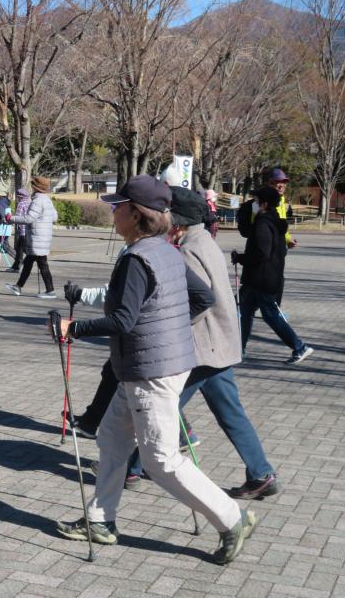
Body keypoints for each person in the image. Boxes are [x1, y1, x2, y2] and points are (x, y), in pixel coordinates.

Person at [55, 175, 256, 566]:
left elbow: (122, 320)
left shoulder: (136, 258)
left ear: (136, 214)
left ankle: (234, 518)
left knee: (160, 461)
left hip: (151, 373)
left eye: (118, 206)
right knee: (113, 439)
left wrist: (71, 328)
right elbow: (203, 297)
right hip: (151, 367)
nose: (113, 211)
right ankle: (100, 520)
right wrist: (171, 328)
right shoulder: (165, 250)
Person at [125, 188, 280, 499]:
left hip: (202, 347)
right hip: (218, 345)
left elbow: (198, 301)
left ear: (178, 221)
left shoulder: (187, 250)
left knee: (165, 405)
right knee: (229, 413)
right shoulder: (202, 240)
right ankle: (261, 472)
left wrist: (167, 325)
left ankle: (133, 467)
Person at [232, 186, 313, 364]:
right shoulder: (274, 221)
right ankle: (239, 349)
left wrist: (241, 258)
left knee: (269, 315)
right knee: (242, 310)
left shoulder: (263, 223)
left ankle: (299, 346)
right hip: (262, 278)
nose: (254, 204)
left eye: (257, 201)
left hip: (262, 279)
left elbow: (262, 252)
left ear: (265, 204)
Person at [4, 176, 58, 299]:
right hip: (43, 237)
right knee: (29, 262)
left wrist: (11, 218)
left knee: (41, 264)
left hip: (37, 237)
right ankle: (18, 286)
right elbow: (54, 217)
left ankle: (50, 291)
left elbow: (28, 219)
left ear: (35, 187)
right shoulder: (47, 200)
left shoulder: (38, 201)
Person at [10, 188, 32, 271]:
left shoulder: (21, 204)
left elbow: (18, 216)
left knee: (20, 248)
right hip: (29, 229)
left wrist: (10, 220)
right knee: (23, 248)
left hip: (22, 229)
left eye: (18, 197)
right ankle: (17, 265)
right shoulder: (30, 203)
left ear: (20, 197)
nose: (17, 199)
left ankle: (17, 266)